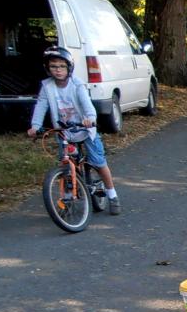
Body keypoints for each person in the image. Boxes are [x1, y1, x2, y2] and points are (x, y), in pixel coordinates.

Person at [26, 47, 122, 214]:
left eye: (62, 66)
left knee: (98, 162)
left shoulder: (77, 85)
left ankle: (112, 195)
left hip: (84, 129)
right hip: (65, 131)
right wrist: (35, 126)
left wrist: (90, 119)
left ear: (69, 67)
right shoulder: (47, 86)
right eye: (53, 66)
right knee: (67, 163)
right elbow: (41, 105)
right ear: (48, 69)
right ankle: (69, 196)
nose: (58, 70)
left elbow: (87, 105)